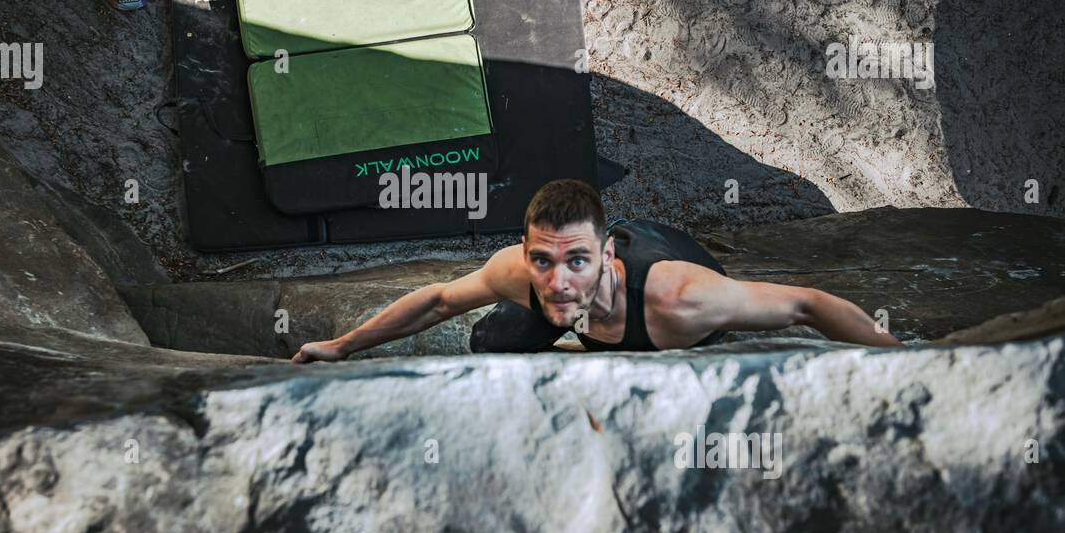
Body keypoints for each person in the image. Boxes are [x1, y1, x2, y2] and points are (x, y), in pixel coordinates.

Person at [291, 178, 902, 362]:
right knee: (490, 343)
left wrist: (907, 360)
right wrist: (340, 347)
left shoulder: (686, 300)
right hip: (603, 294)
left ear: (604, 259)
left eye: (577, 262)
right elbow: (440, 301)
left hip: (662, 273)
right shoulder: (524, 273)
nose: (557, 281)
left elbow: (807, 305)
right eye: (542, 260)